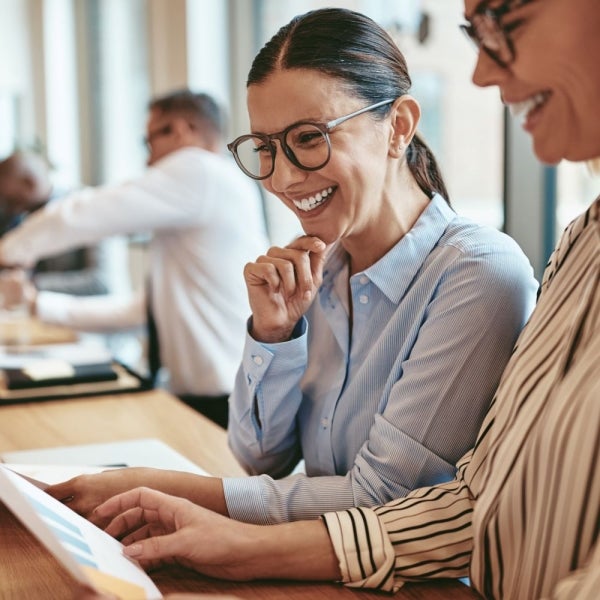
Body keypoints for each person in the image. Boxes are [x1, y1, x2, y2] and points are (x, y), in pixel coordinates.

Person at [81, 3, 599, 599]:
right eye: (266, 148)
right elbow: (258, 458)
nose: (282, 178)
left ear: (399, 127)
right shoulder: (319, 271)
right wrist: (273, 336)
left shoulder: (479, 273)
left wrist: (172, 489)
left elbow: (385, 498)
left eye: (308, 138)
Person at [0, 90, 269, 428]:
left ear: (182, 130)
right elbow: (143, 312)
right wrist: (39, 303)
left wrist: (8, 250)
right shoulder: (213, 191)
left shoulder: (200, 171)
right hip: (212, 391)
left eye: (149, 141)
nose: (148, 160)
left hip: (224, 396)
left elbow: (90, 211)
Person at [0, 150, 129, 297]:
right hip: (47, 315)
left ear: (30, 183)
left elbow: (101, 282)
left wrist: (33, 283)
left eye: (11, 201)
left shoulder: (89, 208)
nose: (11, 210)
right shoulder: (25, 219)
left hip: (96, 314)